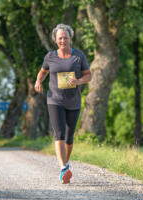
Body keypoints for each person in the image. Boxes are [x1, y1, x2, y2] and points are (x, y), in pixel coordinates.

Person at [34, 24, 92, 184]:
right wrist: (38, 81)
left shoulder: (79, 56)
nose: (62, 40)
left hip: (73, 101)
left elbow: (89, 75)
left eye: (65, 37)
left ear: (70, 38)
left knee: (69, 137)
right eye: (60, 38)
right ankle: (63, 169)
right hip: (54, 100)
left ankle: (66, 163)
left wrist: (78, 81)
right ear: (55, 39)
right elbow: (43, 71)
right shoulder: (50, 56)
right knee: (59, 133)